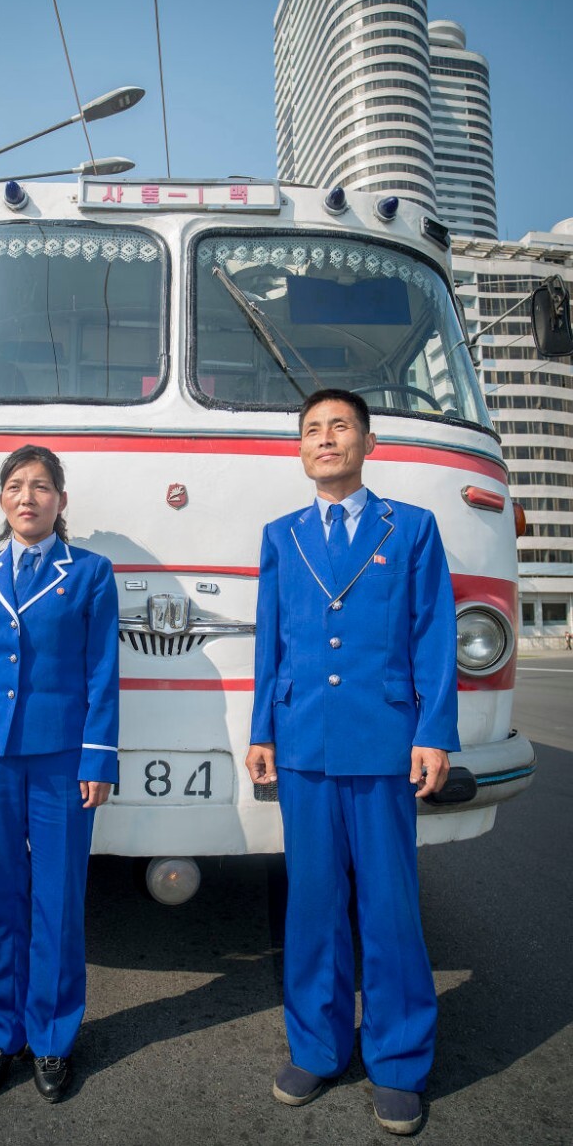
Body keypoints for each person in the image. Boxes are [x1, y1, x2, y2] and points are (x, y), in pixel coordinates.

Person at [246, 389, 459, 1136]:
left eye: (339, 426)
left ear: (368, 441)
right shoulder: (282, 534)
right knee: (311, 903)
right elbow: (269, 638)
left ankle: (399, 1059)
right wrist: (262, 729)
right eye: (311, 429)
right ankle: (318, 1045)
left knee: (390, 906)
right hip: (303, 741)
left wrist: (434, 731)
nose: (325, 438)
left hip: (383, 739)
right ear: (300, 450)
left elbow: (433, 633)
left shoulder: (413, 529)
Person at [0, 444, 119, 1105]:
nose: (28, 496)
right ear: (2, 498)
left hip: (63, 757)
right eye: (17, 485)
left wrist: (99, 757)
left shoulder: (91, 573)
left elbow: (101, 671)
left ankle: (51, 1039)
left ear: (61, 501)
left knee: (58, 900)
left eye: (42, 485)